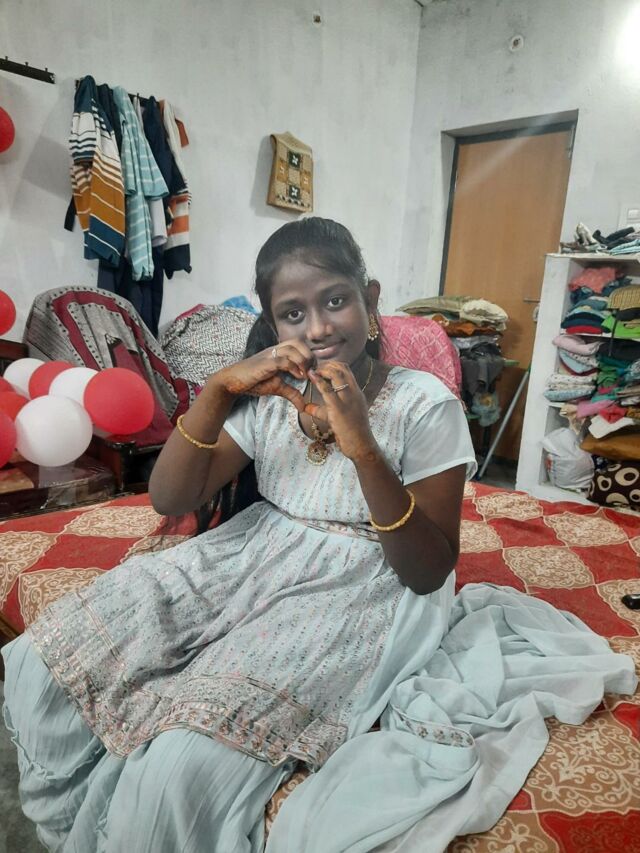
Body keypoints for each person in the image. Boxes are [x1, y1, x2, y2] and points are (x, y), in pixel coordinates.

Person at [2, 217, 476, 852]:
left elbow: (427, 570)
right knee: (50, 657)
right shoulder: (273, 396)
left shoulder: (425, 403)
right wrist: (220, 389)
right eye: (292, 314)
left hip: (368, 577)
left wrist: (364, 448)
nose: (318, 328)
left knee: (182, 754)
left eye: (336, 300)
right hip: (256, 551)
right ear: (273, 326)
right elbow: (170, 498)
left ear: (370, 299)